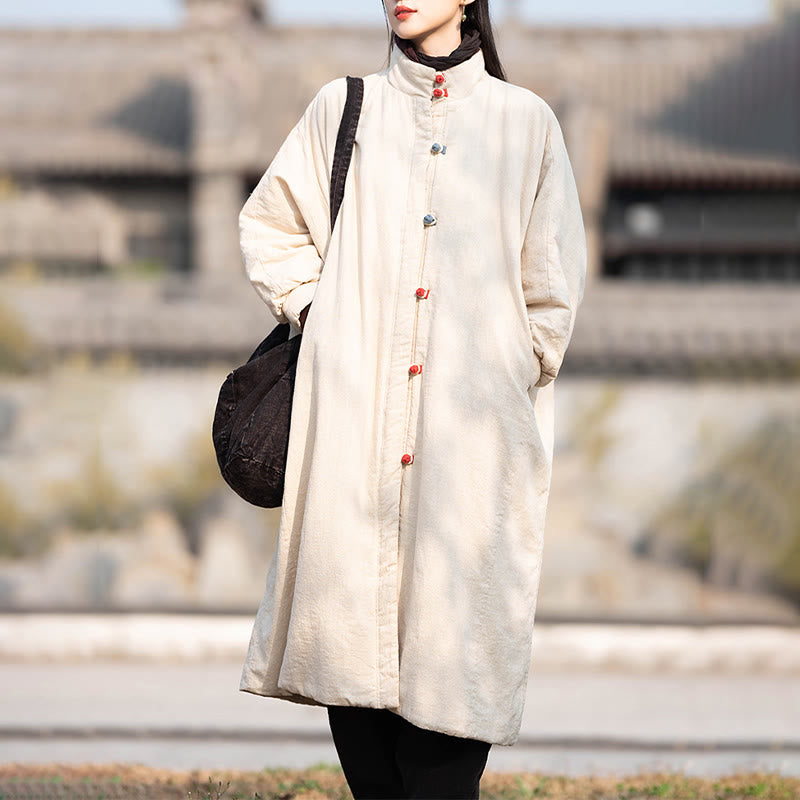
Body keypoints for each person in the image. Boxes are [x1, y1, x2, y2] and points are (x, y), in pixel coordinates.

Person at [236, 0, 587, 796]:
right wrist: (323, 314)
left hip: (472, 454)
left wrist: (508, 365)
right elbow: (271, 227)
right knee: (355, 676)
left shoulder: (525, 124)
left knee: (456, 679)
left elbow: (552, 288)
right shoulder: (343, 108)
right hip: (351, 446)